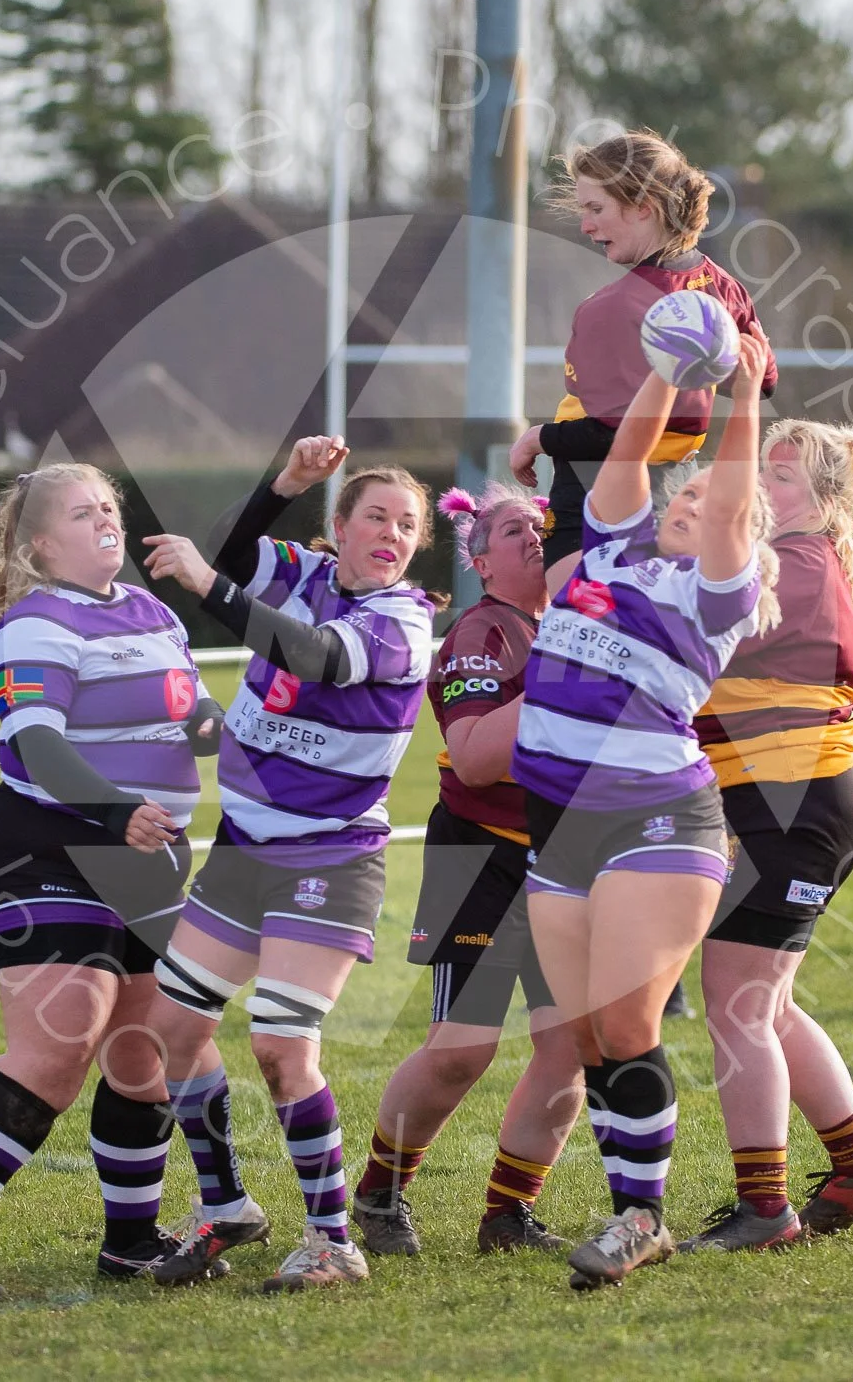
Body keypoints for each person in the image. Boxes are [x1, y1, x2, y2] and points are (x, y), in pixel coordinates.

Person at [0, 463, 222, 1300]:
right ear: (41, 544)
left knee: (143, 1051)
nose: (105, 520)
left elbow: (199, 718)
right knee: (62, 1041)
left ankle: (131, 1242)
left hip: (147, 856)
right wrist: (116, 811)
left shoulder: (153, 611)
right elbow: (37, 744)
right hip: (45, 848)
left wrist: (280, 713)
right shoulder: (34, 621)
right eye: (82, 513)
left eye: (110, 507)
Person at [513, 331, 781, 1292]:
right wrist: (669, 365)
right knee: (587, 1038)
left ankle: (639, 1219)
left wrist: (743, 389)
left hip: (659, 820)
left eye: (712, 504)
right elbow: (628, 458)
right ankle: (635, 1204)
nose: (694, 500)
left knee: (625, 1024)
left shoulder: (719, 598)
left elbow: (739, 496)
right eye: (689, 493)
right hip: (562, 829)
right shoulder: (610, 555)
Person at [139, 436, 439, 1292]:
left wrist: (208, 585)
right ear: (338, 528)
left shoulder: (403, 620)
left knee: (278, 1042)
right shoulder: (305, 576)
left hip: (330, 857)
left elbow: (312, 656)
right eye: (375, 515)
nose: (392, 532)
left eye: (408, 524)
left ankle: (333, 1239)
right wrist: (285, 484)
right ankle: (227, 1204)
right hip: (243, 847)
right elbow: (231, 551)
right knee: (175, 1028)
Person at [680, 418, 853, 1252]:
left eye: (778, 477)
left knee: (737, 1000)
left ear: (823, 500)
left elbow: (700, 624)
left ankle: (764, 1209)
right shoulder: (798, 560)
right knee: (765, 1003)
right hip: (801, 804)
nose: (756, 487)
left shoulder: (796, 567)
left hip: (799, 807)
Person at [350, 484, 585, 1258]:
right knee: (462, 1050)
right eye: (515, 530)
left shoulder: (580, 627)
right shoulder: (482, 636)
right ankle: (379, 1197)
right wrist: (568, 664)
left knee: (568, 1047)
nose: (535, 538)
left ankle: (508, 1216)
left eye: (542, 527)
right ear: (480, 559)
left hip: (560, 859)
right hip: (481, 855)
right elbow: (481, 761)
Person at [510, 127, 778, 586]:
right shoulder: (722, 286)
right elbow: (762, 379)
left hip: (597, 494)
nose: (585, 225)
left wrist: (537, 439)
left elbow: (610, 435)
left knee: (581, 640)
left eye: (596, 208)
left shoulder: (612, 306)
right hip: (676, 493)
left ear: (643, 207)